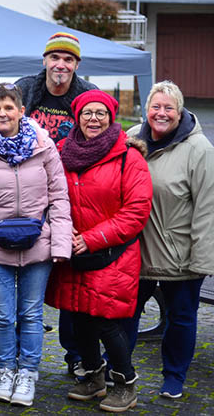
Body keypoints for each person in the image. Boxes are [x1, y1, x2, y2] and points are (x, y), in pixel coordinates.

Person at [0, 84, 72, 407]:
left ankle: (27, 372)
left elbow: (59, 196)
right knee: (1, 315)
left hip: (38, 242)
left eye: (9, 108)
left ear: (22, 111)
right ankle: (6, 371)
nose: (3, 114)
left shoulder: (44, 146)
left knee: (30, 313)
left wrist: (60, 243)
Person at [45, 90, 152, 413]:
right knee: (79, 318)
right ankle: (93, 376)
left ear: (111, 117)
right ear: (77, 117)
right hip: (74, 251)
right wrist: (62, 231)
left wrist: (92, 238)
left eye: (101, 113)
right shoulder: (62, 152)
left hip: (111, 252)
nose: (94, 119)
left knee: (105, 320)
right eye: (88, 113)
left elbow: (136, 210)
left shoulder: (128, 157)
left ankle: (125, 383)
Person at [124, 81, 214, 399]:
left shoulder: (200, 149)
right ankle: (118, 366)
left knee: (182, 318)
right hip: (137, 251)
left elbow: (207, 208)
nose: (161, 113)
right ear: (147, 109)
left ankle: (174, 375)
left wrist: (202, 259)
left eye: (169, 108)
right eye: (156, 106)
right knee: (125, 313)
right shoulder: (132, 137)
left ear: (179, 112)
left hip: (180, 256)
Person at [15, 31, 97, 373]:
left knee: (69, 281)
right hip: (26, 197)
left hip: (71, 196)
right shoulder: (25, 89)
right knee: (22, 278)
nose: (60, 64)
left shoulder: (88, 95)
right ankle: (19, 355)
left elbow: (104, 134)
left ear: (76, 65)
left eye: (68, 59)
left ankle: (76, 355)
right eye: (55, 57)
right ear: (45, 60)